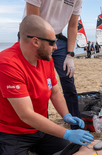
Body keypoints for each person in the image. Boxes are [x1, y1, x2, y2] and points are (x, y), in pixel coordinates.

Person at [0, 15, 93, 155]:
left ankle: (33, 146)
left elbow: (54, 92)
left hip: (38, 128)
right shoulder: (7, 63)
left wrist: (66, 115)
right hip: (10, 133)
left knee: (74, 151)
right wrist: (66, 133)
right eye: (52, 42)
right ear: (36, 42)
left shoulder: (45, 58)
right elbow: (26, 115)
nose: (56, 47)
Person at [24, 0, 84, 128]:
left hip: (57, 37)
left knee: (68, 79)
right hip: (33, 35)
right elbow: (32, 21)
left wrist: (70, 54)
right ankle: (39, 124)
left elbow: (73, 26)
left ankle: (75, 123)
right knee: (39, 83)